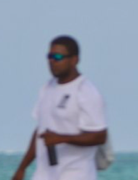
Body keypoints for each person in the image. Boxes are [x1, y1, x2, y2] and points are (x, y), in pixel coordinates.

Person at [11, 36, 108, 180]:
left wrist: (61, 138)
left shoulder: (85, 91)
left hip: (76, 174)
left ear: (74, 60)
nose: (52, 61)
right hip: (44, 174)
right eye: (49, 56)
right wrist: (22, 168)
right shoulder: (47, 87)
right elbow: (40, 131)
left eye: (58, 57)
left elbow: (100, 136)